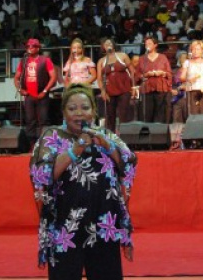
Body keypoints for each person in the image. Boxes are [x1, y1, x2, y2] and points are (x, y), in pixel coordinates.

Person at [29, 83, 136, 280]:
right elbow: (41, 175)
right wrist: (74, 150)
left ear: (94, 111)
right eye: (72, 108)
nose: (79, 113)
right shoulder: (52, 136)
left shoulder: (105, 136)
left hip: (105, 226)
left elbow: (129, 163)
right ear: (63, 112)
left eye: (85, 108)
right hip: (65, 229)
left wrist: (107, 145)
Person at [14, 38, 57, 146]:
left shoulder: (45, 60)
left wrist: (45, 90)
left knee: (43, 119)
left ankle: (44, 144)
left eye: (32, 46)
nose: (29, 48)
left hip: (42, 94)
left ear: (38, 48)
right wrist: (20, 89)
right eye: (28, 46)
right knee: (29, 120)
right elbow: (16, 78)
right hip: (28, 95)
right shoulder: (23, 61)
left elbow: (53, 77)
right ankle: (32, 145)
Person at [96, 38, 134, 133]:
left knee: (124, 113)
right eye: (105, 44)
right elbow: (99, 79)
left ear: (113, 45)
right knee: (110, 115)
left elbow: (132, 71)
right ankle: (111, 137)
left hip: (124, 89)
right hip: (110, 91)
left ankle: (126, 135)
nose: (108, 45)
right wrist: (103, 91)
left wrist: (133, 86)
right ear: (103, 47)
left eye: (110, 43)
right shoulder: (101, 61)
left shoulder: (122, 56)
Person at [135, 36, 172, 123]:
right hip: (147, 89)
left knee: (160, 114)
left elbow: (169, 73)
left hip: (160, 89)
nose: (147, 45)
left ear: (155, 45)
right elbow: (137, 75)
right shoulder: (142, 59)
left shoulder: (163, 57)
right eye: (146, 43)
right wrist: (146, 75)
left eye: (149, 43)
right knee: (147, 114)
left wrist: (162, 73)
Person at [179, 40, 203, 115]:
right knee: (194, 115)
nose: (195, 51)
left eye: (198, 49)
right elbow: (182, 77)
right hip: (192, 91)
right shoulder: (187, 62)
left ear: (202, 50)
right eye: (193, 49)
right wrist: (189, 80)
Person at [171, 52, 188, 123]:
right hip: (177, 98)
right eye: (182, 58)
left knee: (187, 118)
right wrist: (171, 90)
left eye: (185, 58)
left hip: (187, 98)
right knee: (176, 119)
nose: (184, 60)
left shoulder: (190, 70)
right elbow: (170, 83)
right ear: (179, 59)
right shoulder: (174, 71)